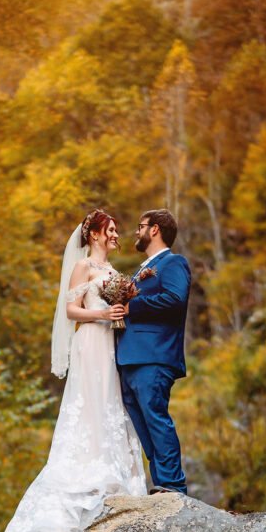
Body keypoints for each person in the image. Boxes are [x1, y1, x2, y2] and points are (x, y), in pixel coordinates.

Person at [0, 210, 147, 532]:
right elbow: (71, 310)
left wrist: (121, 309)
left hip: (110, 343)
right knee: (90, 404)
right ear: (94, 235)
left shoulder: (111, 270)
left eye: (116, 230)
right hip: (90, 342)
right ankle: (87, 471)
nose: (115, 235)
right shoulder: (83, 266)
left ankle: (113, 469)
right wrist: (103, 314)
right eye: (110, 230)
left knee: (111, 404)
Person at [116, 208, 191, 494]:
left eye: (140, 226)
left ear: (155, 229)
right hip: (130, 358)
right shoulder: (141, 270)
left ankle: (173, 485)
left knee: (156, 418)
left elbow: (175, 299)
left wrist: (131, 306)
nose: (136, 232)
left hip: (154, 356)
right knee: (144, 426)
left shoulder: (173, 263)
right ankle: (161, 485)